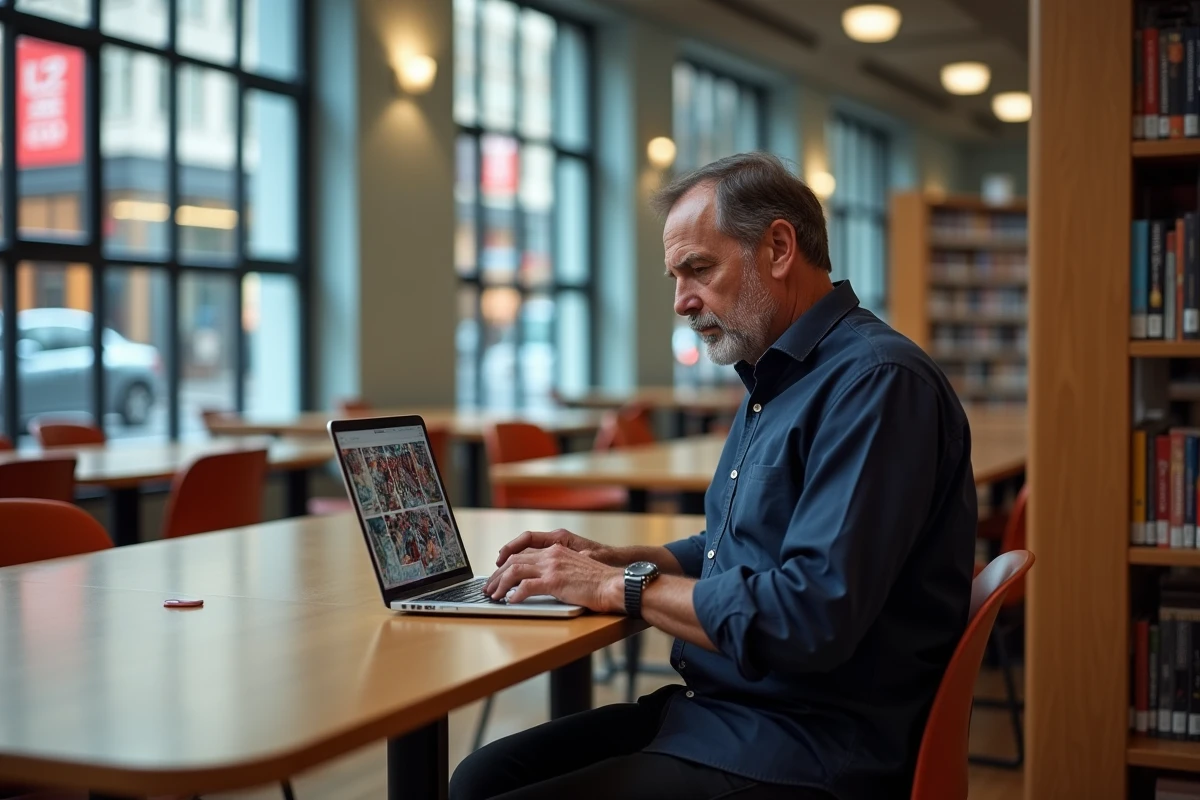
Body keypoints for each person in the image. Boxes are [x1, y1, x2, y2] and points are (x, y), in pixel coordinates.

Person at [450, 152, 977, 800]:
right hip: (730, 713)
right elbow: (740, 548)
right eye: (675, 277)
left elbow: (810, 616)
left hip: (811, 749)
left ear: (779, 247)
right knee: (478, 777)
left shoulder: (876, 383)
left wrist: (621, 587)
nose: (681, 302)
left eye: (698, 269)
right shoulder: (776, 378)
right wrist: (618, 560)